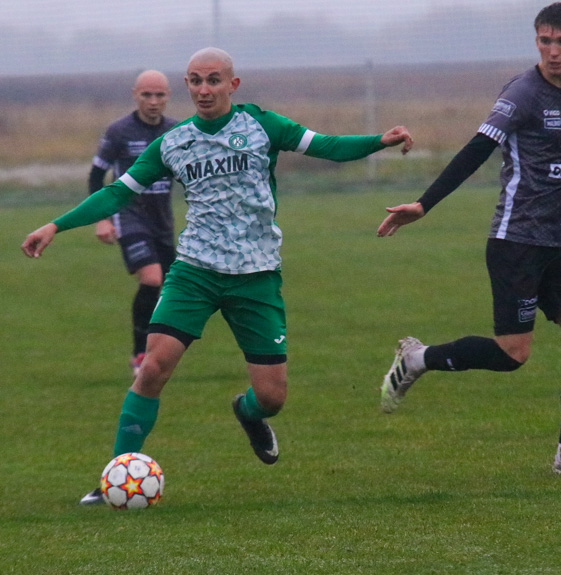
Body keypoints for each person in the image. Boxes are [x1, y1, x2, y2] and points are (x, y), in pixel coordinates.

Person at [22, 47, 414, 504]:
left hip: (256, 275)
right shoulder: (172, 142)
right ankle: (112, 478)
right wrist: (56, 225)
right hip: (195, 271)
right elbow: (115, 194)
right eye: (194, 80)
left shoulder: (263, 125)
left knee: (272, 398)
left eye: (213, 80)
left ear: (233, 84)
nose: (203, 90)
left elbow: (326, 146)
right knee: (152, 368)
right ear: (186, 86)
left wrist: (378, 141)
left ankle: (247, 413)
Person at [376, 3, 561, 475]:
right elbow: (478, 148)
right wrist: (423, 204)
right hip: (517, 242)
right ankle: (417, 359)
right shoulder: (522, 93)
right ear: (537, 43)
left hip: (560, 242)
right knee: (513, 355)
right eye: (545, 41)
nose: (553, 52)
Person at [89, 70, 178, 377]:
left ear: (168, 96)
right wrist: (102, 218)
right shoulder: (119, 131)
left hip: (162, 220)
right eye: (147, 95)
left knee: (171, 289)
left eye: (159, 95)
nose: (153, 102)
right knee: (151, 278)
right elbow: (95, 177)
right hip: (129, 215)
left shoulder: (176, 132)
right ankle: (140, 354)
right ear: (135, 95)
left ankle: (159, 350)